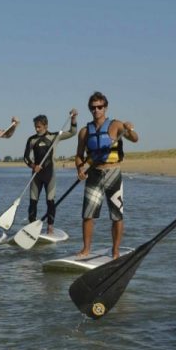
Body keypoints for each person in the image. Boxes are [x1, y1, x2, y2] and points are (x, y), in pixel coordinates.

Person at [73, 91, 138, 258]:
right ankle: (86, 249)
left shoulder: (116, 125)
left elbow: (135, 139)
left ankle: (115, 251)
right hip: (93, 173)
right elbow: (79, 155)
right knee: (88, 214)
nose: (96, 110)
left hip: (113, 173)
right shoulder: (84, 132)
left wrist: (130, 130)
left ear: (105, 108)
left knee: (116, 215)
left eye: (100, 107)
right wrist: (80, 168)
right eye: (93, 108)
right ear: (90, 109)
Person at [23, 109, 77, 232]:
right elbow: (25, 157)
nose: (37, 129)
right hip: (36, 175)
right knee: (33, 202)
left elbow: (73, 132)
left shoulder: (54, 136)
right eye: (35, 127)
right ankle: (31, 227)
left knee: (50, 201)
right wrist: (33, 166)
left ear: (46, 126)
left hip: (50, 175)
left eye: (39, 127)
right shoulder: (31, 140)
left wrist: (73, 119)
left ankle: (50, 227)